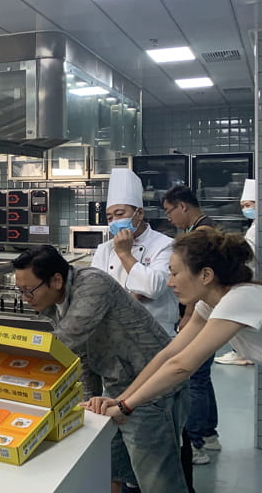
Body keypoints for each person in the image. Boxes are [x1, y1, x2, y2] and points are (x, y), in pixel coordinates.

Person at [12, 246, 187, 493]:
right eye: (20, 290)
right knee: (116, 469)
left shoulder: (93, 284)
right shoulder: (57, 302)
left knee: (157, 480)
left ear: (57, 280)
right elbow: (80, 354)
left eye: (28, 290)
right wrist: (87, 405)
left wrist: (5, 357)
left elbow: (65, 341)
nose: (25, 297)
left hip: (151, 389)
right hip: (116, 389)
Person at [90, 229, 262, 473]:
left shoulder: (238, 298)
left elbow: (182, 366)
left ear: (205, 275)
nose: (170, 282)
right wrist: (121, 399)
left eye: (174, 273)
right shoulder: (209, 303)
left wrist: (127, 407)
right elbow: (168, 354)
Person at [162, 184, 221, 463]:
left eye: (169, 211)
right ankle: (208, 434)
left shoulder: (201, 234)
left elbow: (199, 285)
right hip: (206, 312)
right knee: (203, 376)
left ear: (182, 206)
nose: (169, 217)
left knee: (195, 377)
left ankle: (196, 442)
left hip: (201, 314)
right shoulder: (204, 227)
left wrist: (187, 316)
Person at [93, 168, 179, 335]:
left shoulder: (165, 245)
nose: (115, 221)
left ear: (139, 213)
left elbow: (153, 288)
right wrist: (135, 295)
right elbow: (95, 291)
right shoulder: (104, 250)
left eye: (120, 214)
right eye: (109, 218)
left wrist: (124, 254)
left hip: (156, 333)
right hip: (115, 332)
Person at [216, 179, 257, 366]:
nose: (245, 210)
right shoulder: (254, 227)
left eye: (248, 205)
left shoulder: (255, 231)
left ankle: (240, 353)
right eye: (243, 206)